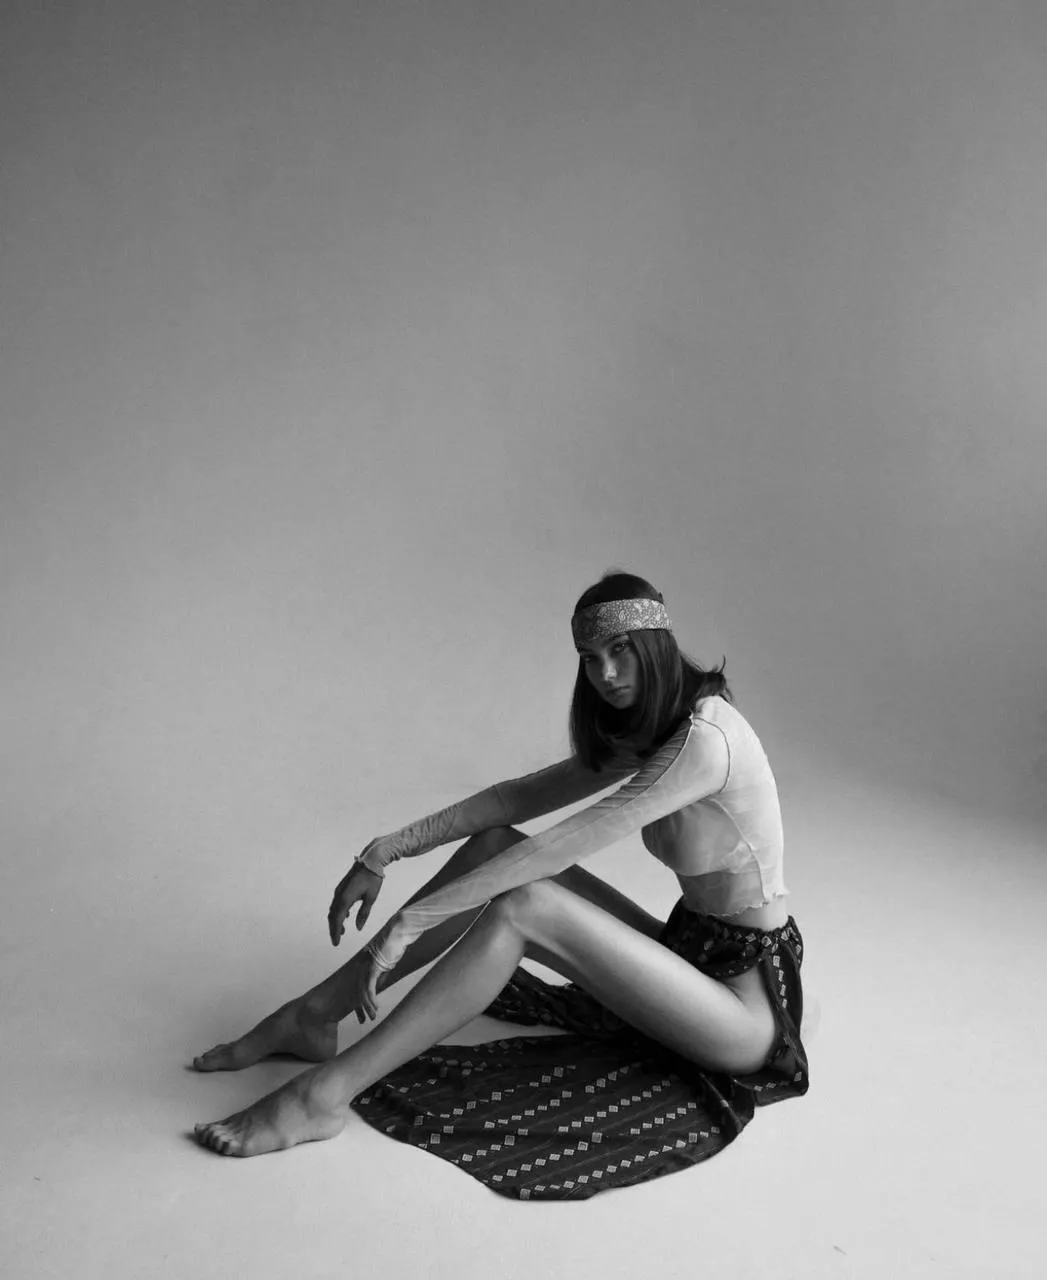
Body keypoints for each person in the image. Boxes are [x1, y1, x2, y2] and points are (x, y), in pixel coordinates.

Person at [193, 571, 808, 1199]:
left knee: (523, 903)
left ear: (655, 642)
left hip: (744, 1012)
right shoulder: (656, 729)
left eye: (620, 651)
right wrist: (383, 852)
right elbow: (516, 800)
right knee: (492, 846)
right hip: (691, 953)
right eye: (591, 660)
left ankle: (323, 1097)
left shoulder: (705, 743)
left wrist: (414, 922)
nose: (606, 675)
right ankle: (313, 1016)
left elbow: (562, 844)